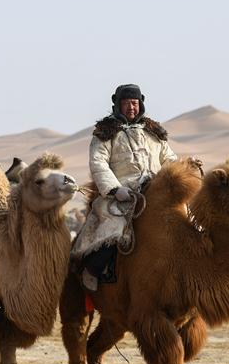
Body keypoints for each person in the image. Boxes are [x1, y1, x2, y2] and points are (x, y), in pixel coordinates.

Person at [74, 84, 182, 290]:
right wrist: (115, 189)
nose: (131, 107)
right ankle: (94, 269)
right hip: (123, 192)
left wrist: (180, 172)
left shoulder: (154, 131)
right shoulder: (105, 132)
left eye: (134, 103)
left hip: (156, 188)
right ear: (117, 105)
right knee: (111, 227)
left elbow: (169, 159)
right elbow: (98, 162)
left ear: (140, 104)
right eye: (126, 103)